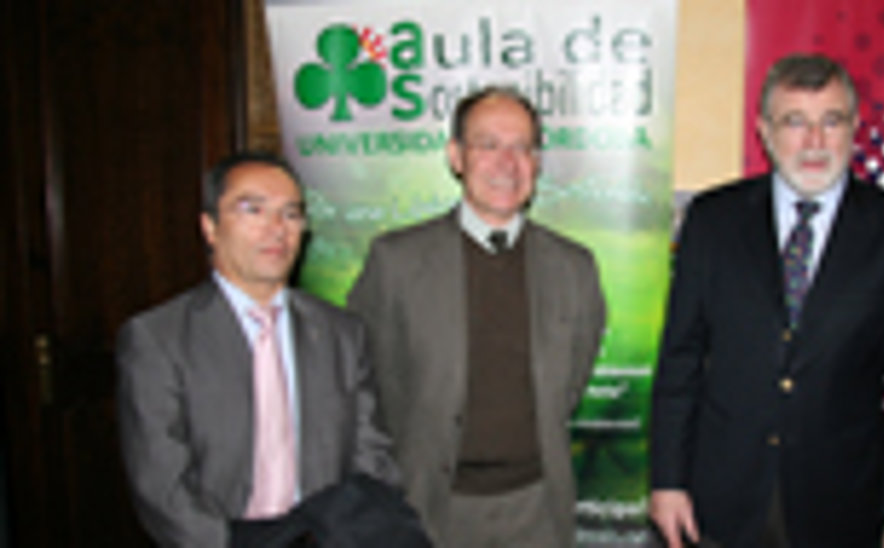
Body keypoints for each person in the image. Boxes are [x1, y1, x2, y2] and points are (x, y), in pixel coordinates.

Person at [649, 53, 884, 548]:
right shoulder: (713, 220)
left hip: (843, 505)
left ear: (855, 127)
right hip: (721, 499)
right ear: (764, 131)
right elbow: (680, 361)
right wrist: (668, 480)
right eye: (795, 122)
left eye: (832, 121)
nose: (814, 142)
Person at [347, 86, 607, 546]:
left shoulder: (574, 267)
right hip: (429, 507)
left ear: (537, 162)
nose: (507, 163)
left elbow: (571, 382)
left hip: (537, 510)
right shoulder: (396, 262)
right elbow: (366, 381)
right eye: (488, 145)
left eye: (522, 147)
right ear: (456, 157)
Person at [116, 152, 402, 546]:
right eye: (253, 210)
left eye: (291, 213)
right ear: (210, 227)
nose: (277, 228)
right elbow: (161, 488)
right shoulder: (158, 338)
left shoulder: (341, 333)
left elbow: (370, 456)